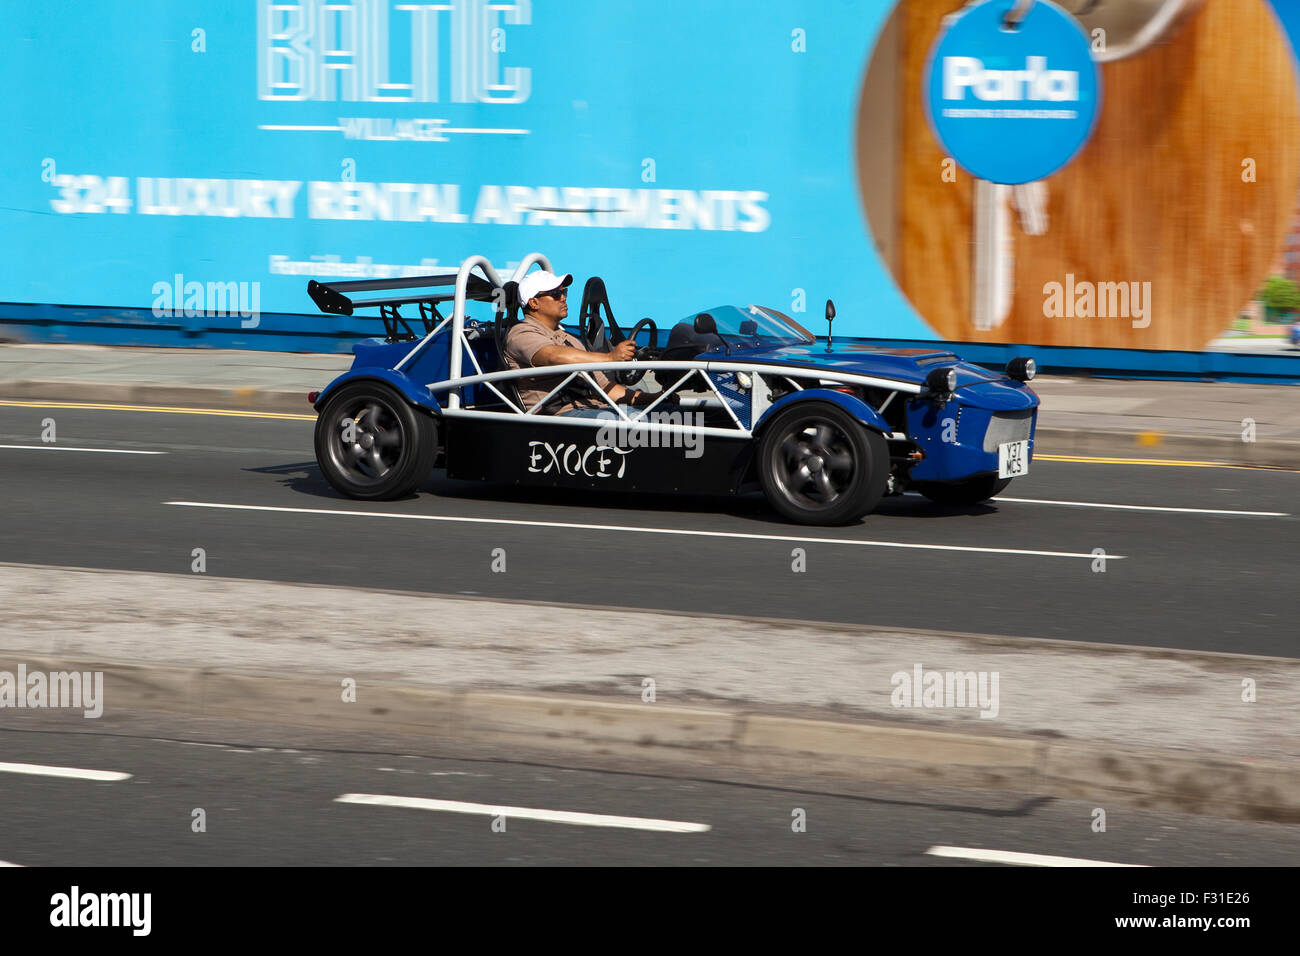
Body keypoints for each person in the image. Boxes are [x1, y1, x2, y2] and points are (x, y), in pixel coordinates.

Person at [503, 271, 657, 415]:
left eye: (564, 292)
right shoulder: (521, 334)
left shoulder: (568, 340)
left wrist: (654, 398)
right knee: (652, 424)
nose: (563, 298)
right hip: (561, 418)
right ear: (534, 303)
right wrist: (610, 357)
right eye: (556, 294)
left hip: (595, 410)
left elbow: (606, 388)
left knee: (668, 413)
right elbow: (552, 356)